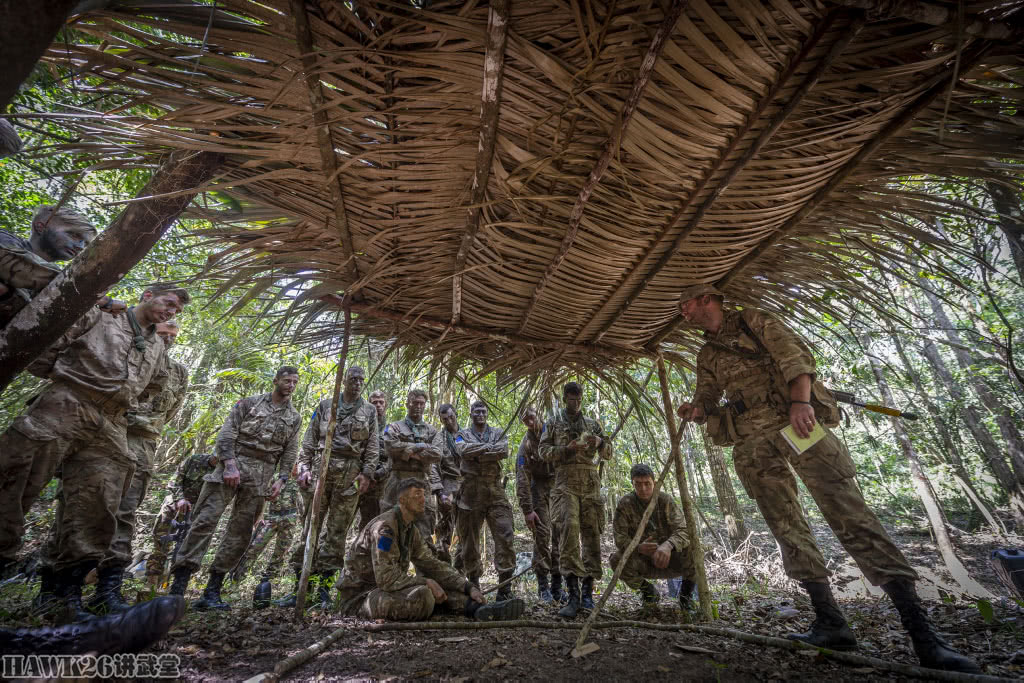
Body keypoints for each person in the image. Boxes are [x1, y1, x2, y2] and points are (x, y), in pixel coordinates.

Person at [675, 283, 978, 673]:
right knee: (786, 527)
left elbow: (795, 358)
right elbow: (708, 396)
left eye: (685, 303)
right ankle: (830, 622)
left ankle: (925, 636)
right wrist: (697, 410)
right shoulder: (707, 352)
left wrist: (802, 403)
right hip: (752, 442)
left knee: (850, 514)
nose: (682, 312)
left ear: (706, 300)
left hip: (798, 423)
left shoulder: (752, 320)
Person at [0, 282, 186, 620]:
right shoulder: (101, 316)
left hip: (112, 421)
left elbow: (153, 385)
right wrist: (72, 379)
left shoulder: (158, 346)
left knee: (99, 504)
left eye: (176, 310)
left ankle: (60, 596)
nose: (171, 312)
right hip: (66, 404)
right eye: (168, 303)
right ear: (147, 296)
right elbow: (45, 349)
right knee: (14, 481)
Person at [169, 366, 301, 611]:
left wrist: (282, 480)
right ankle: (178, 588)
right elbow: (227, 433)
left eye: (294, 382)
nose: (290, 386)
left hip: (262, 474)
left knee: (240, 531)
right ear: (276, 380)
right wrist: (229, 464)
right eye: (286, 381)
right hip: (232, 465)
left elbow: (290, 451)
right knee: (204, 521)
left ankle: (212, 592)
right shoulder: (249, 403)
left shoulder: (294, 417)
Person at [84, 319, 189, 613]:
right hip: (105, 432)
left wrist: (144, 432)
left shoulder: (178, 372)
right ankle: (59, 585)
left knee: (126, 511)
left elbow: (171, 411)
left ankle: (108, 588)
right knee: (87, 504)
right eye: (163, 332)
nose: (167, 338)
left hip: (143, 446)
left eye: (172, 335)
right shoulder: (128, 350)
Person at [336, 478, 525, 621]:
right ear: (402, 500)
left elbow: (432, 564)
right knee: (424, 594)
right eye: (417, 495)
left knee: (440, 589)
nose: (423, 500)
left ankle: (480, 610)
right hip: (361, 598)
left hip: (387, 589)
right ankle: (448, 609)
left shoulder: (410, 529)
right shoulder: (385, 528)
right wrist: (426, 582)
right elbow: (386, 578)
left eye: (424, 495)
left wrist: (466, 586)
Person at [280, 366, 378, 608]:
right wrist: (303, 466)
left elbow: (373, 445)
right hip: (320, 469)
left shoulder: (369, 410)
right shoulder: (326, 405)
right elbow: (309, 439)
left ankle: (323, 588)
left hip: (350, 473)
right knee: (309, 526)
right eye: (353, 379)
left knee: (337, 530)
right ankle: (300, 585)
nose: (357, 383)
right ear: (344, 381)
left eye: (360, 380)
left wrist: (366, 474)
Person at [539, 381, 611, 618]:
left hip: (590, 483)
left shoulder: (592, 424)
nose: (575, 402)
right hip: (565, 482)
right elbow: (543, 452)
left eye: (579, 398)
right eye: (571, 398)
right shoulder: (553, 422)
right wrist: (566, 450)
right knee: (568, 532)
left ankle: (588, 594)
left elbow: (608, 451)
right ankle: (572, 594)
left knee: (591, 534)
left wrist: (600, 443)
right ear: (564, 398)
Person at [0, 205, 122, 326]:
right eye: (74, 235)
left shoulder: (48, 288)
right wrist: (89, 293)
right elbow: (13, 261)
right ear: (40, 226)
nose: (80, 247)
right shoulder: (4, 238)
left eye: (85, 244)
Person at [609, 463, 696, 611]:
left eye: (647, 484)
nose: (643, 489)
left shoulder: (665, 500)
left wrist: (668, 546)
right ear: (632, 484)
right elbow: (620, 538)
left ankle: (686, 597)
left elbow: (684, 530)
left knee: (695, 551)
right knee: (616, 560)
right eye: (638, 484)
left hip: (671, 558)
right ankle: (648, 592)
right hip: (643, 561)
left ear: (654, 483)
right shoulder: (625, 504)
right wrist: (638, 548)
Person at [453, 400, 516, 599]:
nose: (480, 414)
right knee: (469, 542)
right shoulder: (461, 434)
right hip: (470, 493)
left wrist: (477, 453)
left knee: (505, 535)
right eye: (476, 411)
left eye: (483, 411)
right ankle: (474, 587)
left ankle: (504, 590)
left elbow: (504, 451)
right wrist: (487, 450)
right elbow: (462, 450)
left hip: (495, 491)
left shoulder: (498, 433)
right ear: (471, 413)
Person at [381, 389, 444, 557]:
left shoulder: (432, 431)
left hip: (421, 484)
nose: (418, 406)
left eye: (421, 403)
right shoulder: (394, 427)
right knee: (388, 530)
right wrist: (418, 448)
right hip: (397, 483)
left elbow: (437, 454)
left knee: (424, 533)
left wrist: (406, 453)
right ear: (407, 404)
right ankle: (387, 574)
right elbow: (389, 446)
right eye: (414, 403)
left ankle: (426, 578)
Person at [516, 405, 564, 603]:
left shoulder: (555, 432)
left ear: (538, 415)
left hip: (559, 487)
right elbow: (522, 477)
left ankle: (558, 585)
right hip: (539, 490)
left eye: (532, 416)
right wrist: (527, 510)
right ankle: (543, 586)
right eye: (525, 419)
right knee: (543, 536)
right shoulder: (526, 444)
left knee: (560, 535)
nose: (530, 421)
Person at [147, 453, 218, 585]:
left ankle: (169, 587)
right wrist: (180, 498)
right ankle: (151, 586)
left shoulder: (223, 471)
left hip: (195, 513)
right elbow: (174, 480)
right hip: (174, 506)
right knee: (160, 545)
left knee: (183, 551)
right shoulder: (194, 459)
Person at [230, 463, 301, 585]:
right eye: (294, 465)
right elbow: (263, 496)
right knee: (254, 547)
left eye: (297, 465)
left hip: (290, 520)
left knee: (280, 552)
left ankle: (267, 582)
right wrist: (260, 515)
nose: (296, 467)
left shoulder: (301, 480)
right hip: (272, 517)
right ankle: (237, 579)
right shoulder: (277, 478)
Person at [355, 389, 390, 531]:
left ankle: (364, 550)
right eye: (374, 402)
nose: (378, 405)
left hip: (378, 483)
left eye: (381, 402)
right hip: (357, 476)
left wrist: (382, 472)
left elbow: (394, 457)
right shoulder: (361, 424)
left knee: (371, 520)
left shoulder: (391, 429)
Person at [434, 403, 462, 564]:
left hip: (466, 485)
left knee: (466, 531)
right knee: (444, 531)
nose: (449, 421)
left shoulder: (466, 434)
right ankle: (444, 567)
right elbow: (434, 466)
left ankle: (461, 570)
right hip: (448, 485)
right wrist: (439, 491)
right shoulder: (439, 438)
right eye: (445, 419)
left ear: (456, 414)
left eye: (451, 417)